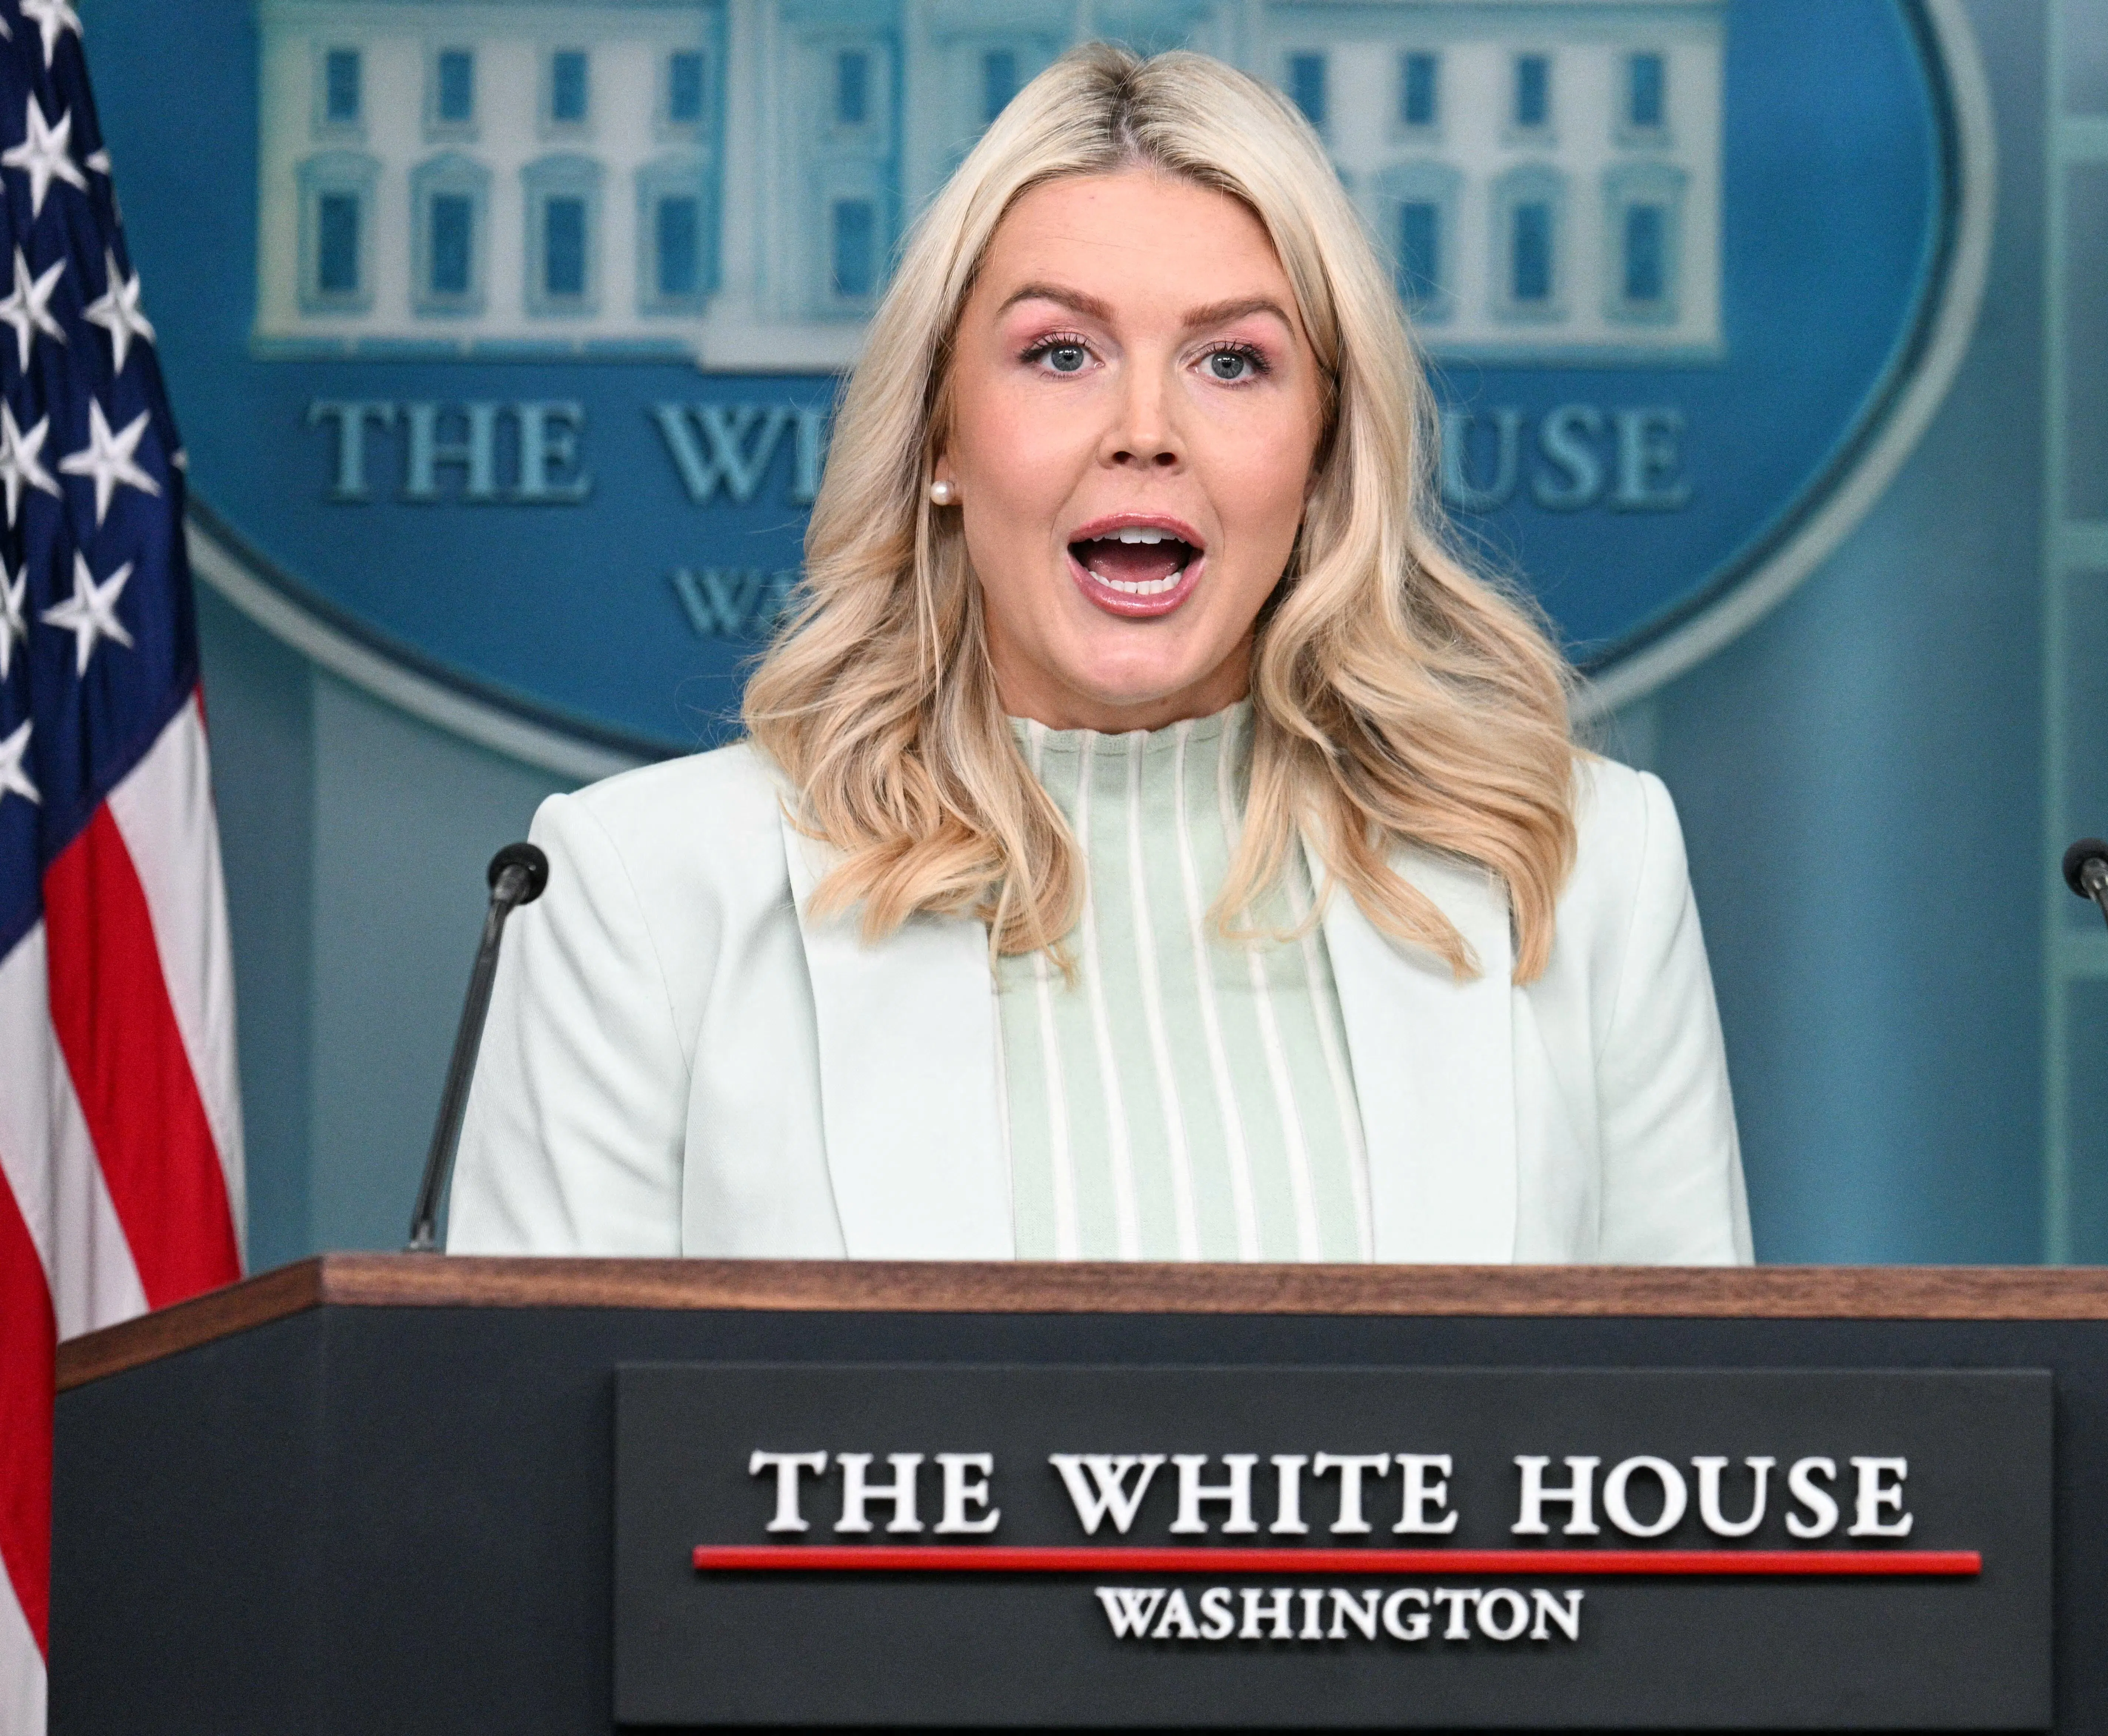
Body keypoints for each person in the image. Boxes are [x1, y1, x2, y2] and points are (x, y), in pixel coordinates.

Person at [445, 45, 1749, 1265]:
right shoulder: (636, 900)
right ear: (942, 438)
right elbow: (542, 1488)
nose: (1146, 428)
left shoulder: (1582, 876)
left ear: (1324, 449)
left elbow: (1704, 1464)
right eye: (1060, 353)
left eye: (1233, 361)